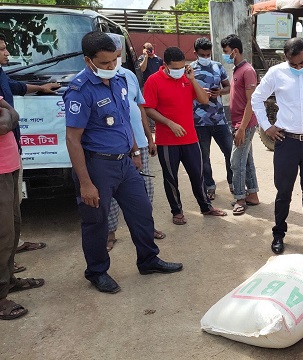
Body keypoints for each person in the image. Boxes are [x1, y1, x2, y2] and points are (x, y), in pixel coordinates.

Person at [64, 31, 183, 294]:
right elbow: (73, 140)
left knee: (141, 212)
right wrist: (85, 182)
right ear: (88, 61)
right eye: (105, 63)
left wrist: (134, 152)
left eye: (115, 60)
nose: (111, 67)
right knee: (96, 222)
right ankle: (97, 272)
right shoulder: (79, 91)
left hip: (125, 162)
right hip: (97, 167)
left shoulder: (119, 80)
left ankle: (148, 259)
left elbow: (124, 120)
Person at [251, 37, 303, 254]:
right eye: (293, 64)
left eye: (301, 63)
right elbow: (256, 98)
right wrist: (267, 126)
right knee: (284, 192)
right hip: (286, 142)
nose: (298, 67)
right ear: (286, 59)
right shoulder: (277, 73)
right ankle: (278, 233)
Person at [143, 46, 227, 225]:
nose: (178, 71)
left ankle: (206, 206)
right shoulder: (153, 80)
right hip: (167, 140)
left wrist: (192, 79)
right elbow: (148, 108)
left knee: (198, 174)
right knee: (171, 177)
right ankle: (177, 211)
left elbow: (204, 100)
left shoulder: (187, 78)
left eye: (182, 67)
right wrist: (169, 123)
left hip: (190, 138)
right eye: (175, 68)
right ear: (165, 65)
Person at [104, 33, 165, 251]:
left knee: (145, 189)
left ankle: (147, 228)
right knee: (111, 194)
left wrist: (150, 138)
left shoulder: (128, 75)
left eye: (117, 55)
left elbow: (139, 107)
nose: (114, 61)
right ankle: (110, 233)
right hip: (113, 149)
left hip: (138, 142)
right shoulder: (94, 80)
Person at [0, 95, 43, 320]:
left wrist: (8, 116)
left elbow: (13, 114)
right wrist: (8, 117)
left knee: (13, 230)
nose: (7, 55)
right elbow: (6, 123)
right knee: (2, 235)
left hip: (9, 165)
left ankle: (8, 282)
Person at [220, 34, 260, 216]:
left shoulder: (247, 71)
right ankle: (252, 195)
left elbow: (251, 102)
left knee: (236, 162)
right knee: (246, 160)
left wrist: (241, 128)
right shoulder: (238, 69)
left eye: (226, 52)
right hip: (238, 122)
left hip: (245, 124)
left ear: (234, 51)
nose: (225, 55)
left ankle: (240, 198)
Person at [191, 37, 234, 201]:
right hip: (199, 121)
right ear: (195, 53)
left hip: (219, 119)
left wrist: (219, 93)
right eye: (202, 54)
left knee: (230, 152)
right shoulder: (190, 70)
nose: (206, 57)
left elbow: (228, 87)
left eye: (208, 54)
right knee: (204, 157)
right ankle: (209, 186)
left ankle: (232, 183)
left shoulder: (218, 66)